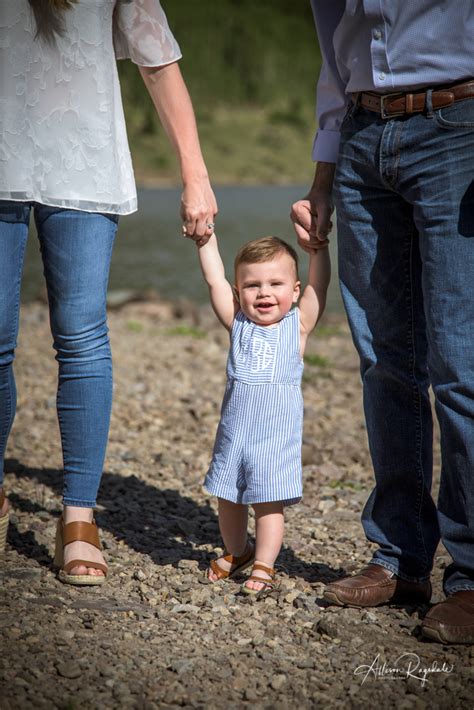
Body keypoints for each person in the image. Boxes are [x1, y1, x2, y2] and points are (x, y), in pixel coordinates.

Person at [0, 0, 217, 584]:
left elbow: (157, 56)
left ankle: (77, 516)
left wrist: (194, 174)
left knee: (81, 334)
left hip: (84, 158)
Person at [291, 1, 474, 643]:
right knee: (384, 363)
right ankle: (400, 556)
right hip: (364, 141)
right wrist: (323, 173)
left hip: (461, 126)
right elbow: (333, 51)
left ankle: (472, 575)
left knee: (461, 368)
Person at [194, 232, 330, 595]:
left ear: (295, 290)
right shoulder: (237, 323)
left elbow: (320, 285)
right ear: (238, 293)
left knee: (267, 503)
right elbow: (213, 279)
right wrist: (205, 241)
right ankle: (237, 551)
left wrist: (318, 250)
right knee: (228, 495)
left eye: (275, 283)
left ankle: (265, 564)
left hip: (275, 439)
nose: (264, 292)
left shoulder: (297, 328)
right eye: (252, 285)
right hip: (234, 435)